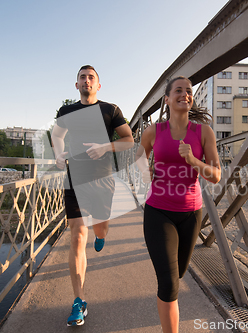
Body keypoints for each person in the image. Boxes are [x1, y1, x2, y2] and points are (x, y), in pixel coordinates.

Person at [136, 76, 221, 332]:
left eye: (189, 91)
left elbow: (215, 176)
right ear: (167, 99)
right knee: (170, 285)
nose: (185, 94)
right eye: (179, 90)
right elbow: (140, 155)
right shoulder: (154, 131)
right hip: (158, 211)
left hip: (190, 215)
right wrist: (144, 173)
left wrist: (194, 161)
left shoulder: (203, 132)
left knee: (179, 273)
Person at [51, 65, 134, 327]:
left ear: (98, 85)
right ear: (76, 85)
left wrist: (106, 146)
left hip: (102, 178)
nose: (86, 81)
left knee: (100, 228)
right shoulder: (67, 111)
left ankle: (101, 236)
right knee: (77, 234)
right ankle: (79, 301)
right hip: (74, 177)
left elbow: (129, 140)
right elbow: (57, 135)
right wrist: (58, 154)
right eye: (82, 78)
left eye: (91, 78)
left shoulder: (111, 110)